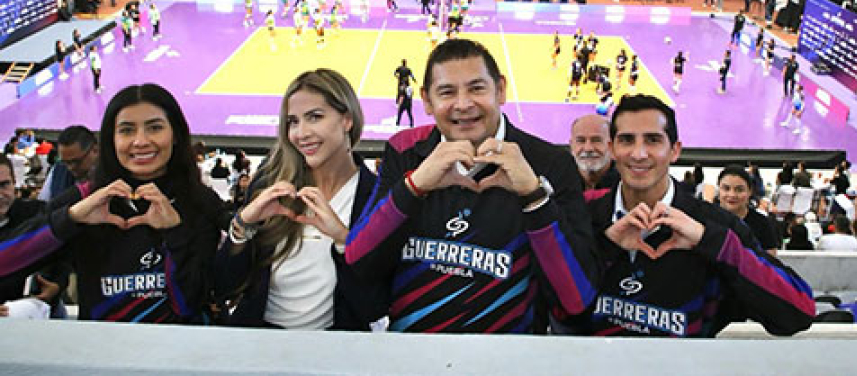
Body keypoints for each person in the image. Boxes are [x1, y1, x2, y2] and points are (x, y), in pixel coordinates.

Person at [345, 39, 596, 333]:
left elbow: (576, 301)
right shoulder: (405, 151)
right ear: (427, 101)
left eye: (477, 88)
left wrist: (534, 197)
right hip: (413, 351)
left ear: (500, 90)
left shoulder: (550, 163)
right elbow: (358, 260)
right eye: (447, 92)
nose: (463, 104)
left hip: (504, 355)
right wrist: (414, 186)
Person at [568, 94, 814, 337]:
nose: (639, 153)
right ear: (612, 149)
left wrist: (710, 242)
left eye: (653, 140)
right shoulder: (581, 215)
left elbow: (798, 312)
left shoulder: (716, 227)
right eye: (627, 140)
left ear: (675, 151)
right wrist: (605, 247)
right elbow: (561, 312)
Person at [0, 83, 223, 322]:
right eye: (127, 130)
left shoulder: (201, 202)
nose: (140, 141)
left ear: (175, 134)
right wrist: (70, 218)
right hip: (101, 344)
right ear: (111, 139)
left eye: (155, 128)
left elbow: (188, 305)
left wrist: (174, 233)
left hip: (177, 345)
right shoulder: (85, 200)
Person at [215, 69, 387, 330]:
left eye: (315, 117)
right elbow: (225, 286)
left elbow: (373, 307)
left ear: (347, 120)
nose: (301, 133)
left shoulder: (376, 197)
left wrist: (345, 241)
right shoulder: (268, 184)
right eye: (293, 122)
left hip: (332, 348)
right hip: (259, 343)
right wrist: (243, 224)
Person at [0, 155, 70, 320]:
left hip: (40, 310)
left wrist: (57, 285)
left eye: (4, 185)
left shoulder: (37, 213)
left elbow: (64, 253)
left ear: (14, 182)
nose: (0, 195)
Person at [716, 166, 779, 256]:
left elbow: (770, 259)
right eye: (726, 188)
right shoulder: (708, 220)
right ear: (718, 190)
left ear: (750, 192)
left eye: (739, 190)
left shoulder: (762, 223)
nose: (732, 195)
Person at [39, 126, 98, 202]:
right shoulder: (58, 171)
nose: (70, 167)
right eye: (65, 162)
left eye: (76, 161)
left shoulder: (109, 177)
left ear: (95, 150)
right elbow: (44, 204)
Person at [570, 114, 617, 198]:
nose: (588, 148)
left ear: (612, 145)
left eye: (596, 140)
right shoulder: (558, 183)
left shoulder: (626, 183)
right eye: (581, 141)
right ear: (571, 145)